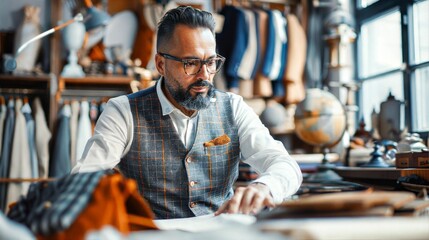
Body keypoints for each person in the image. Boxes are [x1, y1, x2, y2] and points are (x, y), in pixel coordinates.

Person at [72, 6, 302, 219]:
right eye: (191, 63)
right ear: (161, 64)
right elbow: (84, 179)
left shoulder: (234, 107)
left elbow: (285, 165)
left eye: (211, 62)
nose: (204, 75)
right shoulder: (123, 111)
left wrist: (265, 187)